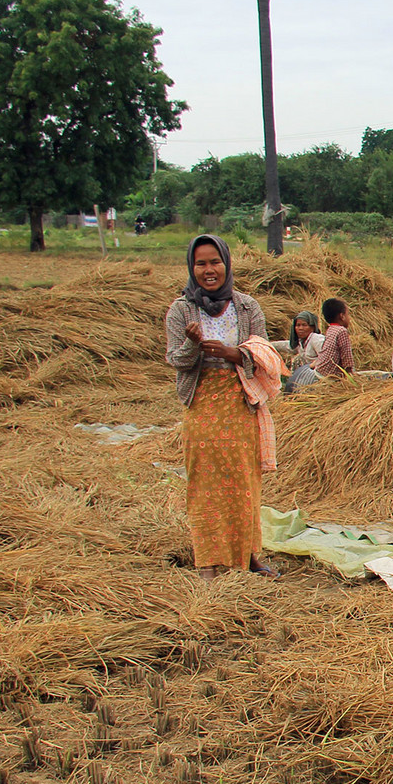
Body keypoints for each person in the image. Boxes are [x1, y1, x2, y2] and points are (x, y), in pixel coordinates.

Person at [163, 234, 279, 580]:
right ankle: (208, 562)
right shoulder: (181, 309)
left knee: (245, 479)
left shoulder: (247, 306)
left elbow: (264, 353)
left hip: (240, 401)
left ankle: (248, 556)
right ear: (191, 267)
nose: (209, 270)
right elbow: (176, 361)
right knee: (205, 482)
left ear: (226, 264)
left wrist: (236, 354)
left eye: (215, 262)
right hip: (202, 403)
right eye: (201, 263)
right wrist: (193, 343)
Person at [290, 297, 354, 390]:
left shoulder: (330, 329)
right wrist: (352, 380)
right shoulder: (341, 331)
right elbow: (347, 360)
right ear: (342, 316)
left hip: (319, 373)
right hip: (328, 378)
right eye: (348, 314)